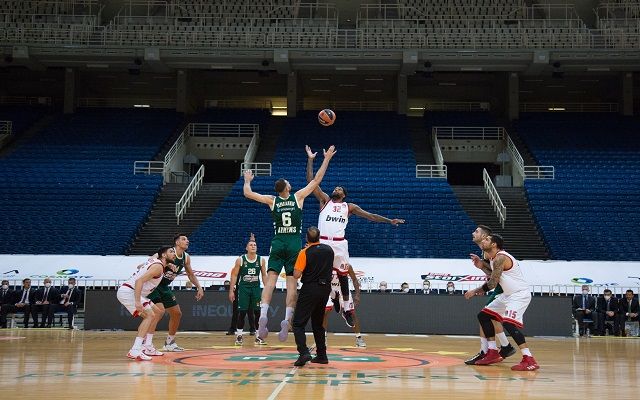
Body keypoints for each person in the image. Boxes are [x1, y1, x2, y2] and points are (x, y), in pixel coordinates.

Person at [243, 145, 336, 342]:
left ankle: (263, 316)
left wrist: (247, 181)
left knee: (270, 281)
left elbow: (248, 194)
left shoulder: (272, 200)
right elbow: (317, 180)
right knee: (292, 284)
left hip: (277, 242)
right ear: (287, 188)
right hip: (294, 243)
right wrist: (326, 158)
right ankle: (286, 320)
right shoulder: (298, 197)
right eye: (288, 182)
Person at [306, 145, 404, 327]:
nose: (336, 189)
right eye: (335, 187)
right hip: (322, 242)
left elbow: (370, 216)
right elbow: (311, 182)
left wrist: (389, 221)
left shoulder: (349, 207)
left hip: (339, 244)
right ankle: (331, 300)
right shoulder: (324, 200)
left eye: (339, 189)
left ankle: (347, 309)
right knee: (321, 276)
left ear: (344, 195)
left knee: (343, 275)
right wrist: (311, 160)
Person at [464, 234, 540, 371]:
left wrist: (475, 291)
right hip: (507, 295)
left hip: (518, 295)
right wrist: (481, 266)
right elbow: (495, 274)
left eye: (487, 239)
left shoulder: (500, 258)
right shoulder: (493, 258)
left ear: (494, 244)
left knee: (508, 323)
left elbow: (493, 283)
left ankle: (529, 359)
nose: (483, 241)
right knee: (484, 316)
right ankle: (492, 351)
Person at [143, 234, 204, 354]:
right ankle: (145, 343)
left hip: (164, 287)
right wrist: (161, 262)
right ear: (177, 242)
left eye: (187, 239)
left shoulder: (186, 257)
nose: (187, 241)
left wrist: (199, 287)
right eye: (184, 239)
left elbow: (190, 274)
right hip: (153, 285)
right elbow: (150, 261)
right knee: (159, 311)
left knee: (177, 313)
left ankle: (170, 343)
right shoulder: (167, 252)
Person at [465, 225, 516, 365]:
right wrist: (482, 266)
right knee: (489, 317)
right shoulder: (485, 252)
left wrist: (479, 288)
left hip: (503, 288)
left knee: (486, 315)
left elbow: (495, 277)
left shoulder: (490, 252)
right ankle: (502, 347)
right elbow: (492, 273)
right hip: (501, 286)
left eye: (476, 231)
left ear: (484, 236)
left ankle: (489, 350)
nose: (473, 233)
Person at [117, 246, 175, 361]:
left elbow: (140, 267)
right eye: (171, 251)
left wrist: (167, 265)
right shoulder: (158, 267)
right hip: (129, 291)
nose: (174, 254)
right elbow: (139, 281)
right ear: (164, 255)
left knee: (157, 312)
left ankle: (147, 346)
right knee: (149, 316)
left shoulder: (156, 263)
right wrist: (137, 301)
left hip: (132, 291)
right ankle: (135, 350)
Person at [291, 226, 334, 367]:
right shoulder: (329, 250)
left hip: (310, 288)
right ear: (319, 236)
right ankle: (322, 355)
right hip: (325, 289)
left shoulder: (304, 252)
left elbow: (296, 275)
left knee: (298, 323)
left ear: (306, 238)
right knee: (318, 323)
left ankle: (303, 352)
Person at [229, 233, 267, 346]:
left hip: (256, 288)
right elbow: (234, 275)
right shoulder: (240, 260)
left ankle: (258, 337)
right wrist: (231, 290)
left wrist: (267, 289)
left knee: (257, 312)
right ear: (246, 248)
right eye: (251, 245)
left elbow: (264, 275)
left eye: (254, 245)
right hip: (244, 288)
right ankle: (239, 336)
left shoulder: (261, 260)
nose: (253, 246)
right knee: (242, 312)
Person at [323, 266, 366, 348]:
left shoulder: (346, 265)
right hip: (330, 290)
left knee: (352, 314)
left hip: (343, 291)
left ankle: (359, 338)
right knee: (325, 313)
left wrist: (357, 295)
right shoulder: (327, 263)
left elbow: (354, 279)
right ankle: (323, 338)